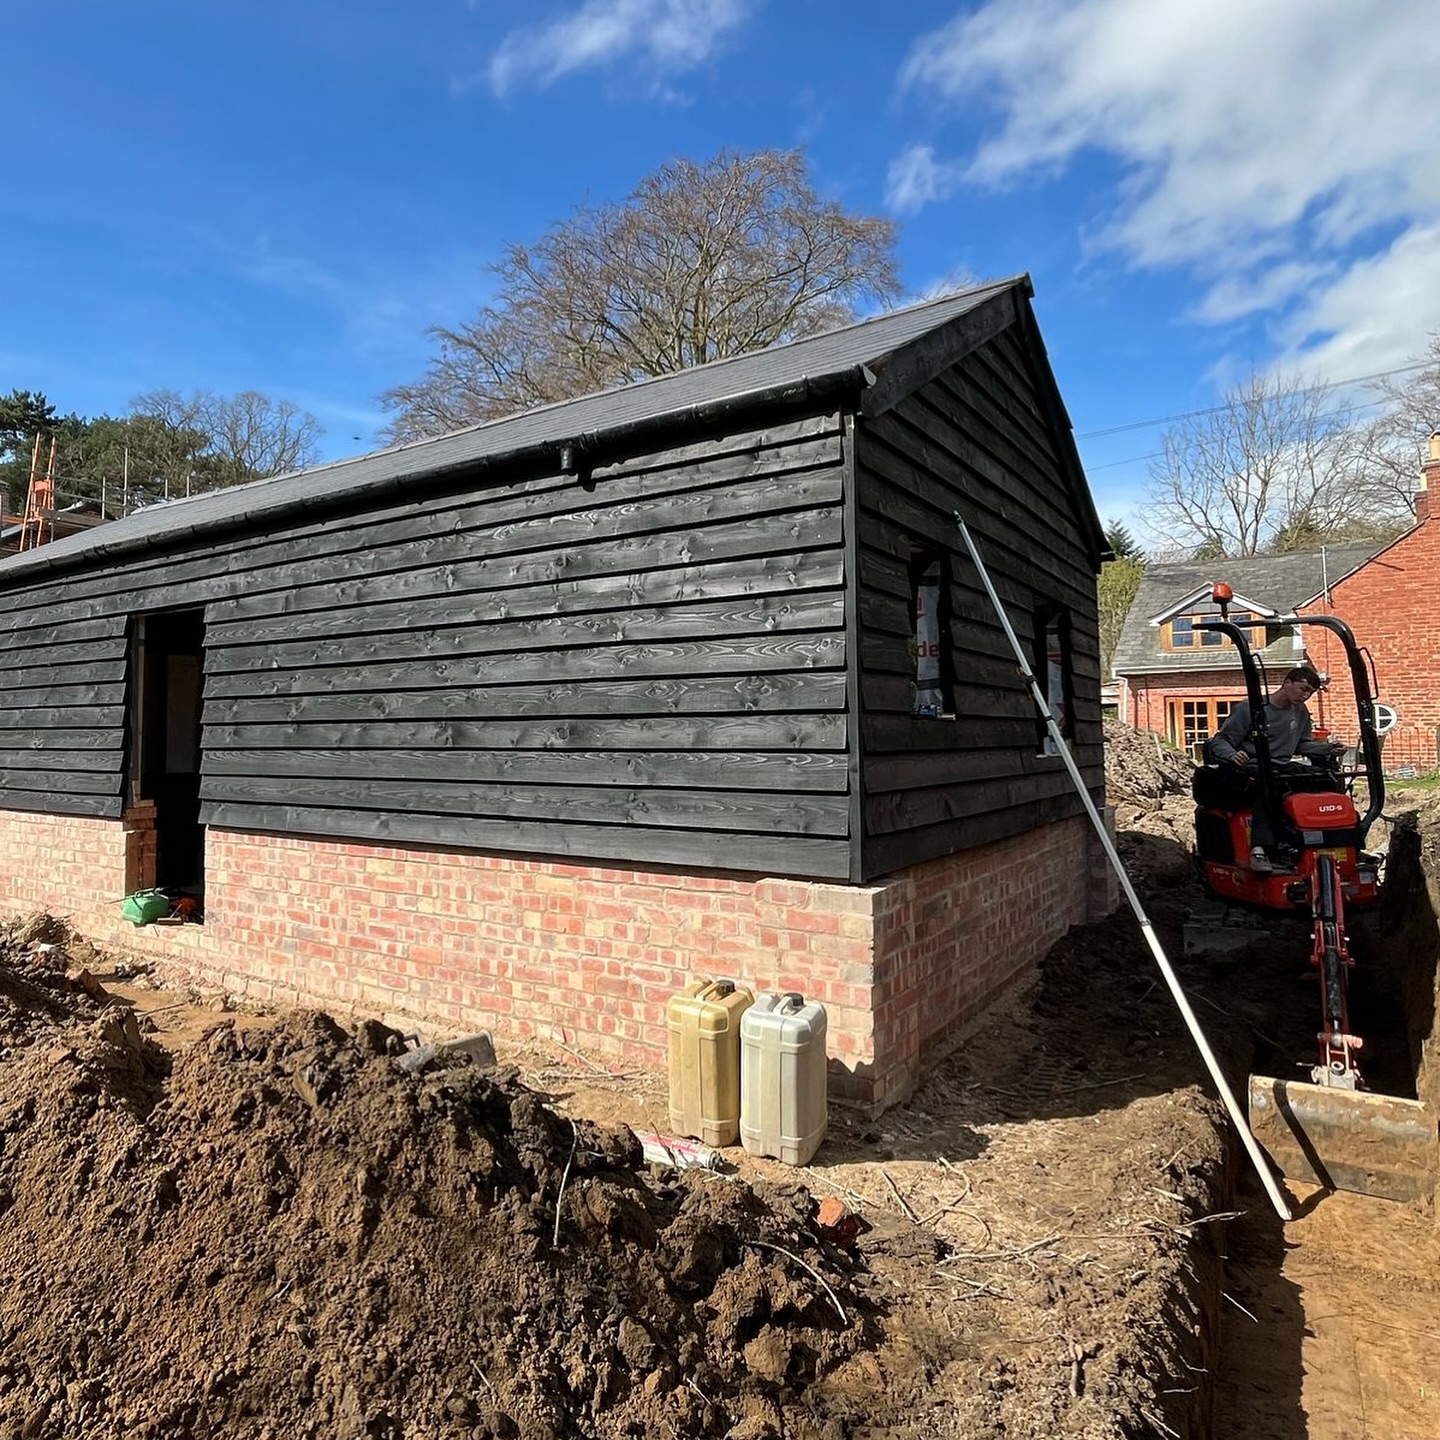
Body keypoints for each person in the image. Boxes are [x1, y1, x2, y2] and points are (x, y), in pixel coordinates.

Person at [1205, 664, 1342, 871]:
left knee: (1328, 779)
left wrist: (1328, 749)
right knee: (1268, 785)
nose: (1306, 696)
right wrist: (1233, 754)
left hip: (1282, 767)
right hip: (1252, 767)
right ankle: (1260, 849)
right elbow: (1220, 741)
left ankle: (1335, 841)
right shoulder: (1251, 709)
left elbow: (1301, 745)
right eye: (1303, 689)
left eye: (1311, 693)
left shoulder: (1300, 712)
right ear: (1287, 682)